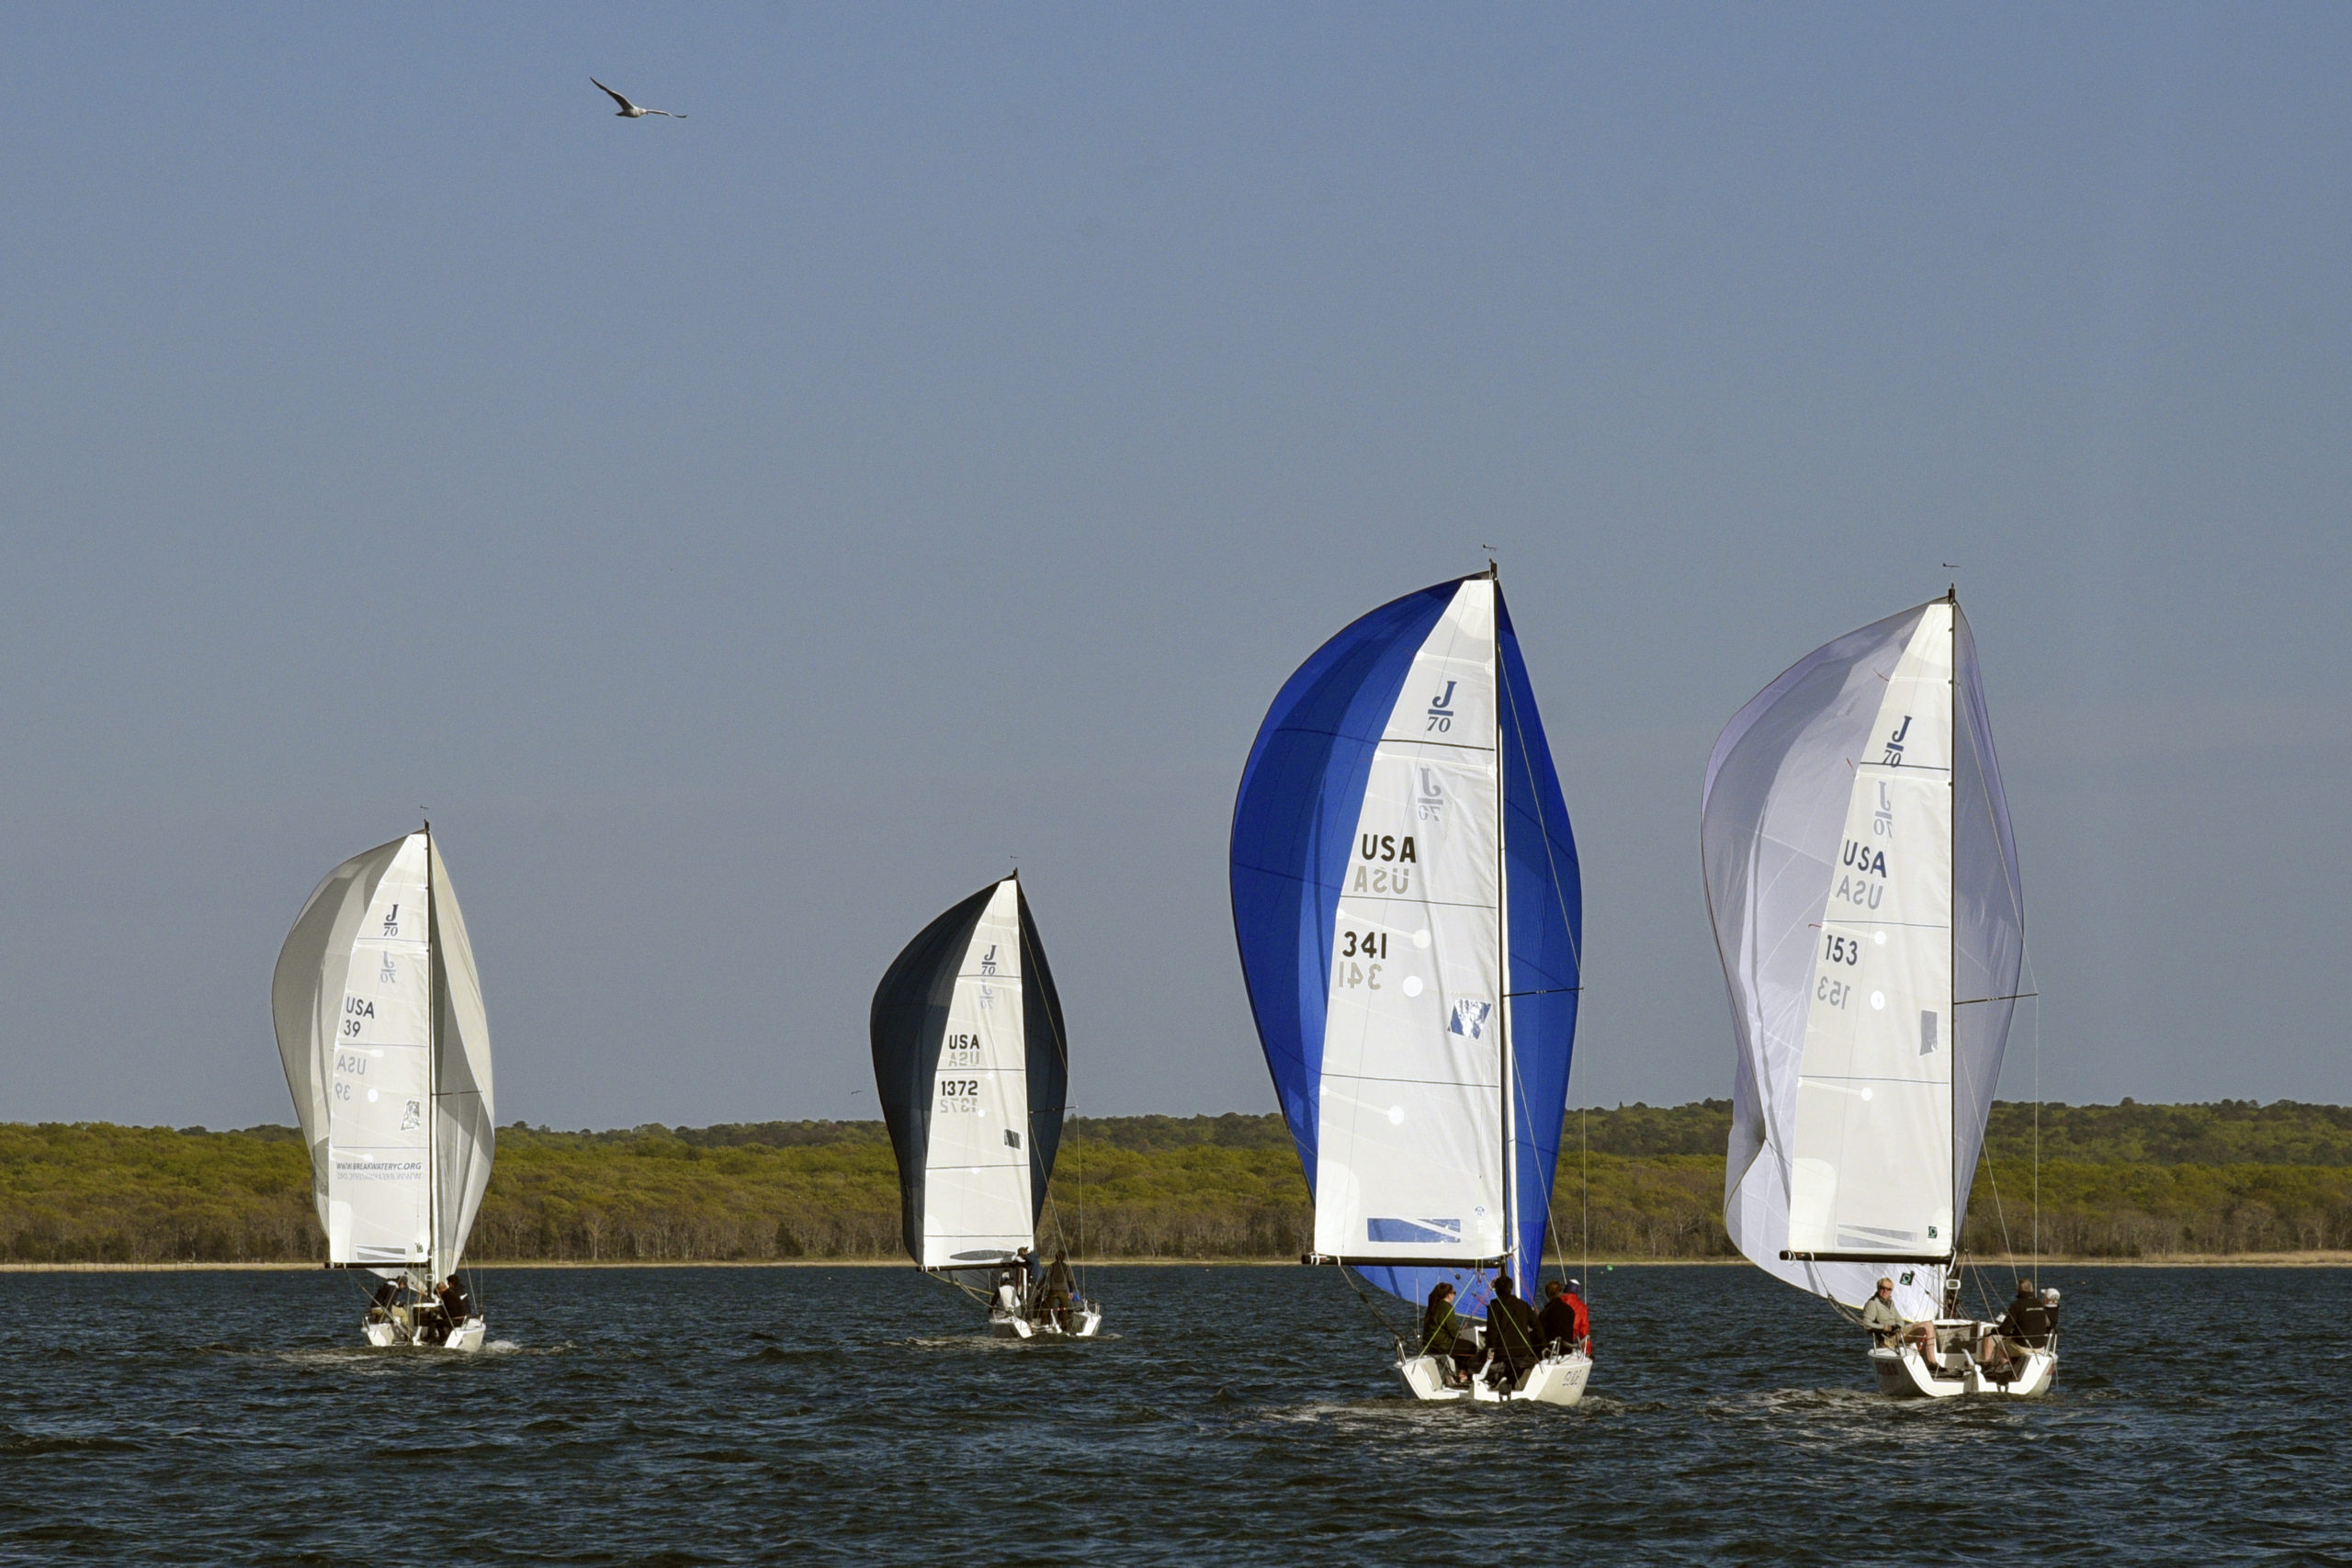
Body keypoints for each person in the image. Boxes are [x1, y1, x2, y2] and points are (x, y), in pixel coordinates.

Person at [1979, 1279, 2055, 1381]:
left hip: (2022, 1347)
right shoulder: (2039, 1304)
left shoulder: (2017, 1305)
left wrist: (1994, 1331)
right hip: (2040, 1347)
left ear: (2018, 1290)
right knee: (2012, 1344)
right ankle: (2012, 1368)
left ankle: (1989, 1368)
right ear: (2032, 1289)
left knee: (1994, 1341)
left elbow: (2005, 1330)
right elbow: (2046, 1324)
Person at [1484, 1274, 1543, 1389]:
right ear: (1511, 1288)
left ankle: (1500, 1379)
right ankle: (1516, 1377)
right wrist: (1543, 1345)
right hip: (1523, 1352)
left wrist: (1491, 1347)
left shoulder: (1494, 1306)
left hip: (1502, 1353)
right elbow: (1537, 1326)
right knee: (1519, 1365)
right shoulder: (1523, 1305)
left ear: (1496, 1289)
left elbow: (1493, 1329)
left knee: (1479, 1363)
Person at [1418, 1281, 1479, 1386]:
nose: (1455, 1295)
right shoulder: (1446, 1307)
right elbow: (1452, 1330)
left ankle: (1458, 1372)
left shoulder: (1433, 1306)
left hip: (1430, 1345)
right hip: (1442, 1345)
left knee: (1461, 1347)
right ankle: (1462, 1374)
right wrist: (1459, 1336)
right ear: (1448, 1294)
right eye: (1454, 1292)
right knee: (1471, 1347)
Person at [1860, 1277, 1936, 1355]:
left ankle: (1928, 1362)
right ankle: (1930, 1361)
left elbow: (1900, 1321)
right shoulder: (1872, 1303)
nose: (1885, 1291)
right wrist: (1885, 1327)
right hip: (1886, 1340)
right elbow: (1866, 1324)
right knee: (1926, 1326)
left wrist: (1897, 1327)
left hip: (1897, 1335)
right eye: (1882, 1288)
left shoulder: (1890, 1303)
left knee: (1927, 1326)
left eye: (1888, 1289)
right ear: (1878, 1288)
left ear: (1891, 1291)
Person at [1538, 1279, 1590, 1357]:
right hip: (1568, 1345)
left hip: (1552, 1345)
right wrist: (1587, 1352)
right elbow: (1584, 1331)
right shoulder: (1582, 1307)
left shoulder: (1554, 1303)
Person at [1040, 1249, 1077, 1330]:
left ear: (1056, 1257)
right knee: (1064, 1308)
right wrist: (1071, 1291)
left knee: (1046, 1306)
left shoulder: (1052, 1266)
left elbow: (1046, 1277)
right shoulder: (1067, 1267)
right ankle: (1064, 1325)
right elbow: (1070, 1280)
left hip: (1053, 1290)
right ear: (1064, 1257)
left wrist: (1039, 1286)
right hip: (1063, 1290)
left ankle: (1044, 1323)